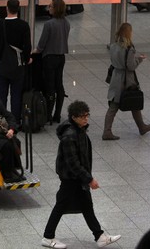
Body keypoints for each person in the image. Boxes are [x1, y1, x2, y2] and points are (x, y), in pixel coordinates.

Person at [42, 100, 122, 249]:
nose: (86, 119)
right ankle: (47, 237)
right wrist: (89, 179)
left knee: (86, 205)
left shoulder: (79, 130)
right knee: (60, 206)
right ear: (74, 117)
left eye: (87, 115)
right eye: (83, 116)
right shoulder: (70, 136)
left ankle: (99, 236)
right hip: (71, 178)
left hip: (76, 177)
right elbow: (73, 163)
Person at [103, 23, 150, 140]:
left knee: (116, 103)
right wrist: (139, 59)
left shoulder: (113, 46)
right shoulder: (129, 49)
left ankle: (141, 127)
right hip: (127, 79)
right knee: (129, 100)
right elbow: (130, 66)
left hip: (116, 76)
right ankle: (107, 131)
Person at [0, 0, 32, 124]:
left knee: (2, 94)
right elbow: (27, 46)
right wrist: (27, 58)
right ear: (18, 9)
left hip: (2, 65)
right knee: (16, 94)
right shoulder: (24, 25)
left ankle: (1, 120)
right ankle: (15, 121)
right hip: (18, 66)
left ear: (6, 8)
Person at [33, 0, 70, 124]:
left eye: (50, 6)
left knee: (50, 87)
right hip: (61, 57)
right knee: (59, 85)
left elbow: (42, 44)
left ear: (55, 9)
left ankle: (47, 114)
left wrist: (35, 51)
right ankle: (57, 114)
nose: (48, 8)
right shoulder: (66, 23)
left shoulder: (49, 24)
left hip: (49, 58)